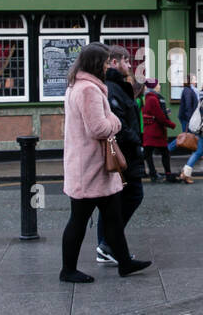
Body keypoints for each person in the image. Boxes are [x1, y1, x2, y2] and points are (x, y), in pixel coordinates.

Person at [60, 42, 152, 283]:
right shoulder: (89, 90)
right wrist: (117, 124)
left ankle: (125, 263)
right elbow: (99, 127)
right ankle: (67, 270)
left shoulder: (76, 86)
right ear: (94, 63)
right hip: (89, 167)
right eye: (103, 62)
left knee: (112, 217)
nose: (106, 66)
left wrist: (110, 118)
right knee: (78, 220)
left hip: (91, 165)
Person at [95, 46, 146, 268]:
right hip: (124, 153)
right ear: (114, 63)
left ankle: (106, 248)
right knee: (133, 195)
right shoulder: (112, 88)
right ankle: (107, 244)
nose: (129, 65)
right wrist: (135, 140)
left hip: (126, 151)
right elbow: (120, 123)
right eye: (126, 61)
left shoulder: (117, 86)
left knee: (112, 202)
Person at [141, 78, 179, 183]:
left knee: (148, 154)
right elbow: (159, 116)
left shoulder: (150, 98)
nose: (160, 86)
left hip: (151, 130)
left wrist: (165, 112)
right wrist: (171, 124)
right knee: (164, 153)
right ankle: (166, 174)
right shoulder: (153, 99)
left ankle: (153, 174)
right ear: (153, 86)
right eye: (158, 85)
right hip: (155, 131)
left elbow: (153, 112)